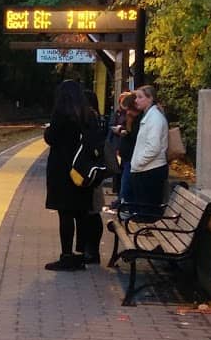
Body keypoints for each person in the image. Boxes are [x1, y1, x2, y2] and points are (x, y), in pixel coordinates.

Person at [42, 79, 107, 270]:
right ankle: (80, 254)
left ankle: (67, 256)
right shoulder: (89, 115)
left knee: (65, 214)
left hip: (63, 172)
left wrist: (47, 130)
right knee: (81, 213)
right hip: (82, 171)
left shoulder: (62, 114)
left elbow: (51, 137)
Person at [124, 82, 169, 219]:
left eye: (140, 97)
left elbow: (153, 147)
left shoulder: (154, 118)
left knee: (146, 212)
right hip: (146, 169)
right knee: (142, 210)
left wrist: (138, 163)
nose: (136, 100)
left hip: (149, 170)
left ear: (150, 98)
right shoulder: (150, 116)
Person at [110, 90, 142, 206]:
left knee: (126, 181)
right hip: (126, 154)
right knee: (124, 179)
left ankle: (124, 203)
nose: (127, 112)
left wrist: (124, 132)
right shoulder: (131, 119)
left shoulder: (138, 120)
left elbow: (135, 136)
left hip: (131, 155)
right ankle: (122, 201)